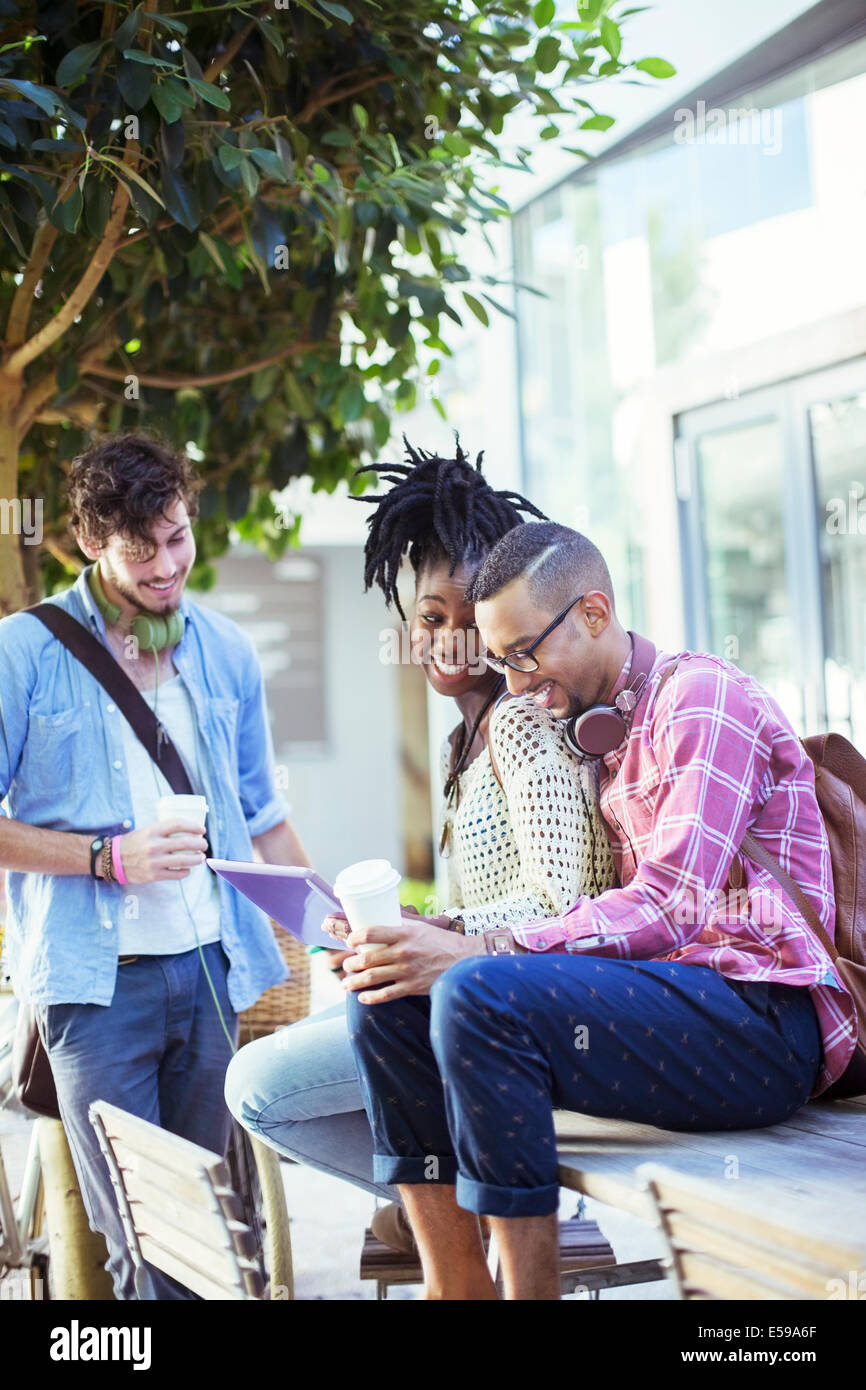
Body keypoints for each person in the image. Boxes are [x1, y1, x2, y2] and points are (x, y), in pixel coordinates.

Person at [344, 520, 858, 1300]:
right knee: (385, 992)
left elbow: (671, 906)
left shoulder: (701, 698)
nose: (513, 684)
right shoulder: (598, 734)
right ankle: (457, 1287)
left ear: (593, 612)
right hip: (675, 1007)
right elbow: (597, 911)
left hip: (765, 1021)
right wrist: (435, 936)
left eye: (524, 654)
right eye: (501, 661)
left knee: (476, 991)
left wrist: (486, 949)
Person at [224, 443, 617, 1252]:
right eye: (429, 619)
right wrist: (412, 925)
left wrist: (438, 933)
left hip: (522, 1010)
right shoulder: (461, 741)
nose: (446, 643)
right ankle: (445, 1213)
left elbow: (566, 902)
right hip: (465, 999)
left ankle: (446, 1217)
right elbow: (492, 899)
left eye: (470, 621)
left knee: (257, 1086)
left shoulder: (521, 723)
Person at [0, 434, 310, 1300]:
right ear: (91, 543)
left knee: (205, 1237)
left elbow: (264, 816)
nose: (167, 565)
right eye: (142, 551)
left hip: (212, 971)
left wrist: (332, 926)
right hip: (94, 995)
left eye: (178, 538)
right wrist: (107, 857)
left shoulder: (225, 651)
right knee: (142, 1242)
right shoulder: (23, 654)